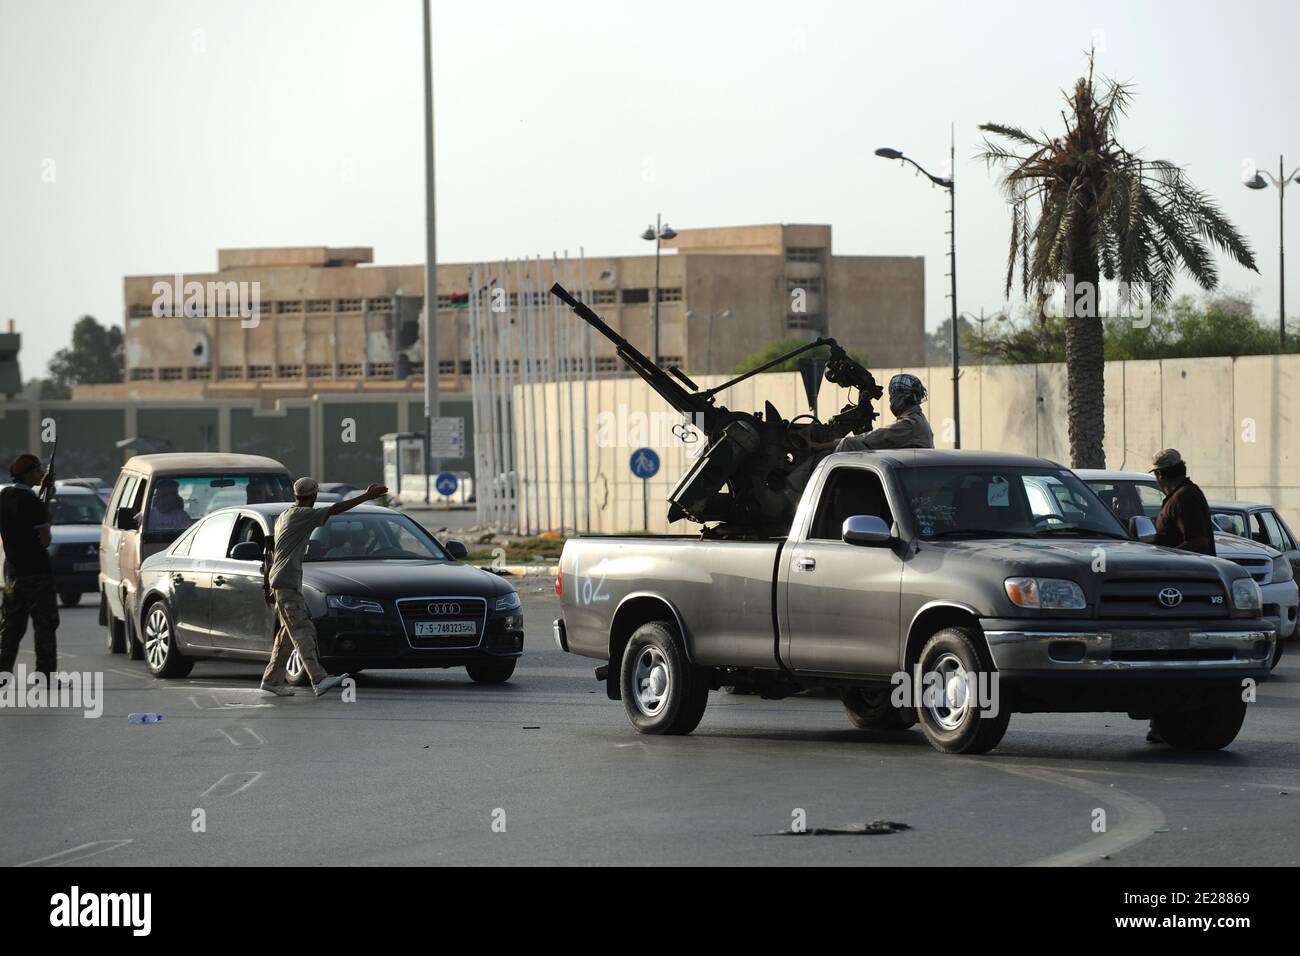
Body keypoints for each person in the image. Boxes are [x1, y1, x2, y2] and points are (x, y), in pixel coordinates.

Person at [260, 477, 388, 697]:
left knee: (287, 633)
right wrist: (366, 496)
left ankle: (271, 679)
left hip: (281, 580)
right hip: (287, 581)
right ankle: (318, 679)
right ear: (314, 496)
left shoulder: (285, 515)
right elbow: (336, 509)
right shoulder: (304, 515)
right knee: (302, 629)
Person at [1146, 448, 1216, 744]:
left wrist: (1164, 556)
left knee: (1167, 655)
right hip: (1179, 586)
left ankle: (1165, 723)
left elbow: (1197, 541)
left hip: (1180, 588)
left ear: (1161, 475)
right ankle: (1163, 723)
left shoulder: (1184, 498)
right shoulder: (1183, 495)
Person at [0, 453, 58, 686]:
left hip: (13, 572)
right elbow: (44, 540)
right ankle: (45, 677)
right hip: (37, 573)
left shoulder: (4, 496)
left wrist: (44, 493)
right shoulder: (32, 503)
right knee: (45, 625)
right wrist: (45, 513)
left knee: (11, 626)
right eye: (37, 471)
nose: (41, 474)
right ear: (27, 474)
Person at [833, 373, 934, 451]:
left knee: (849, 443)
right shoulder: (918, 419)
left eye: (892, 396)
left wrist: (824, 445)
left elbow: (873, 438)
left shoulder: (909, 424)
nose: (890, 400)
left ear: (901, 398)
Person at [1150, 449, 1215, 556]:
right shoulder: (1186, 493)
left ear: (1159, 474)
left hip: (1187, 570)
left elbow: (1198, 541)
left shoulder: (1183, 497)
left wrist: (1168, 557)